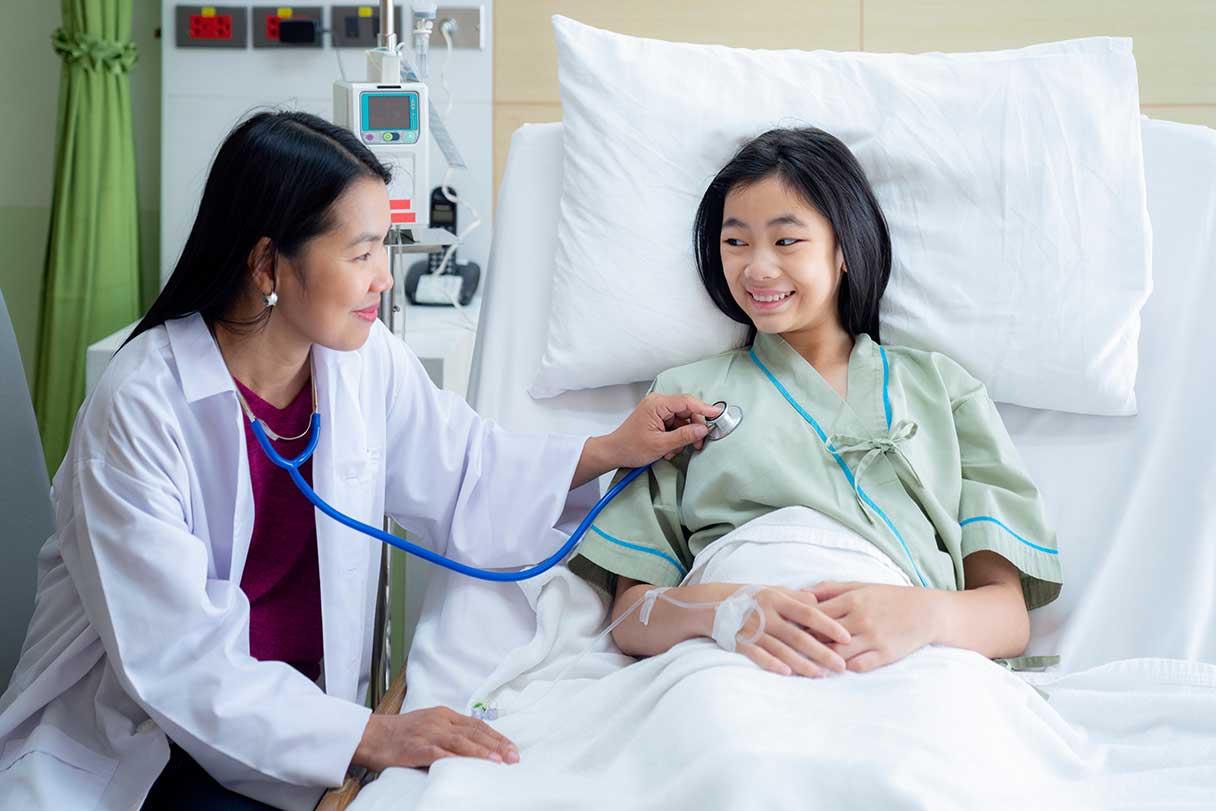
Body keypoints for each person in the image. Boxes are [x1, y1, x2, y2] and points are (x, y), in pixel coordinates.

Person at [0, 111, 720, 810]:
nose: (383, 277)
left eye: (386, 247)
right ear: (265, 264)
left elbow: (467, 471)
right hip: (144, 742)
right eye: (360, 253)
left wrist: (610, 450)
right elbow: (179, 663)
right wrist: (376, 733)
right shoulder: (142, 407)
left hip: (292, 725)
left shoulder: (359, 361)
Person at [569, 127, 1062, 678]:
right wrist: (728, 611)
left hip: (904, 657)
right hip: (729, 660)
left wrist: (922, 615)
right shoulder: (683, 398)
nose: (756, 268)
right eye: (735, 242)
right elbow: (632, 616)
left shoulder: (943, 391)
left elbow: (1008, 617)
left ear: (846, 248)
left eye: (786, 241)